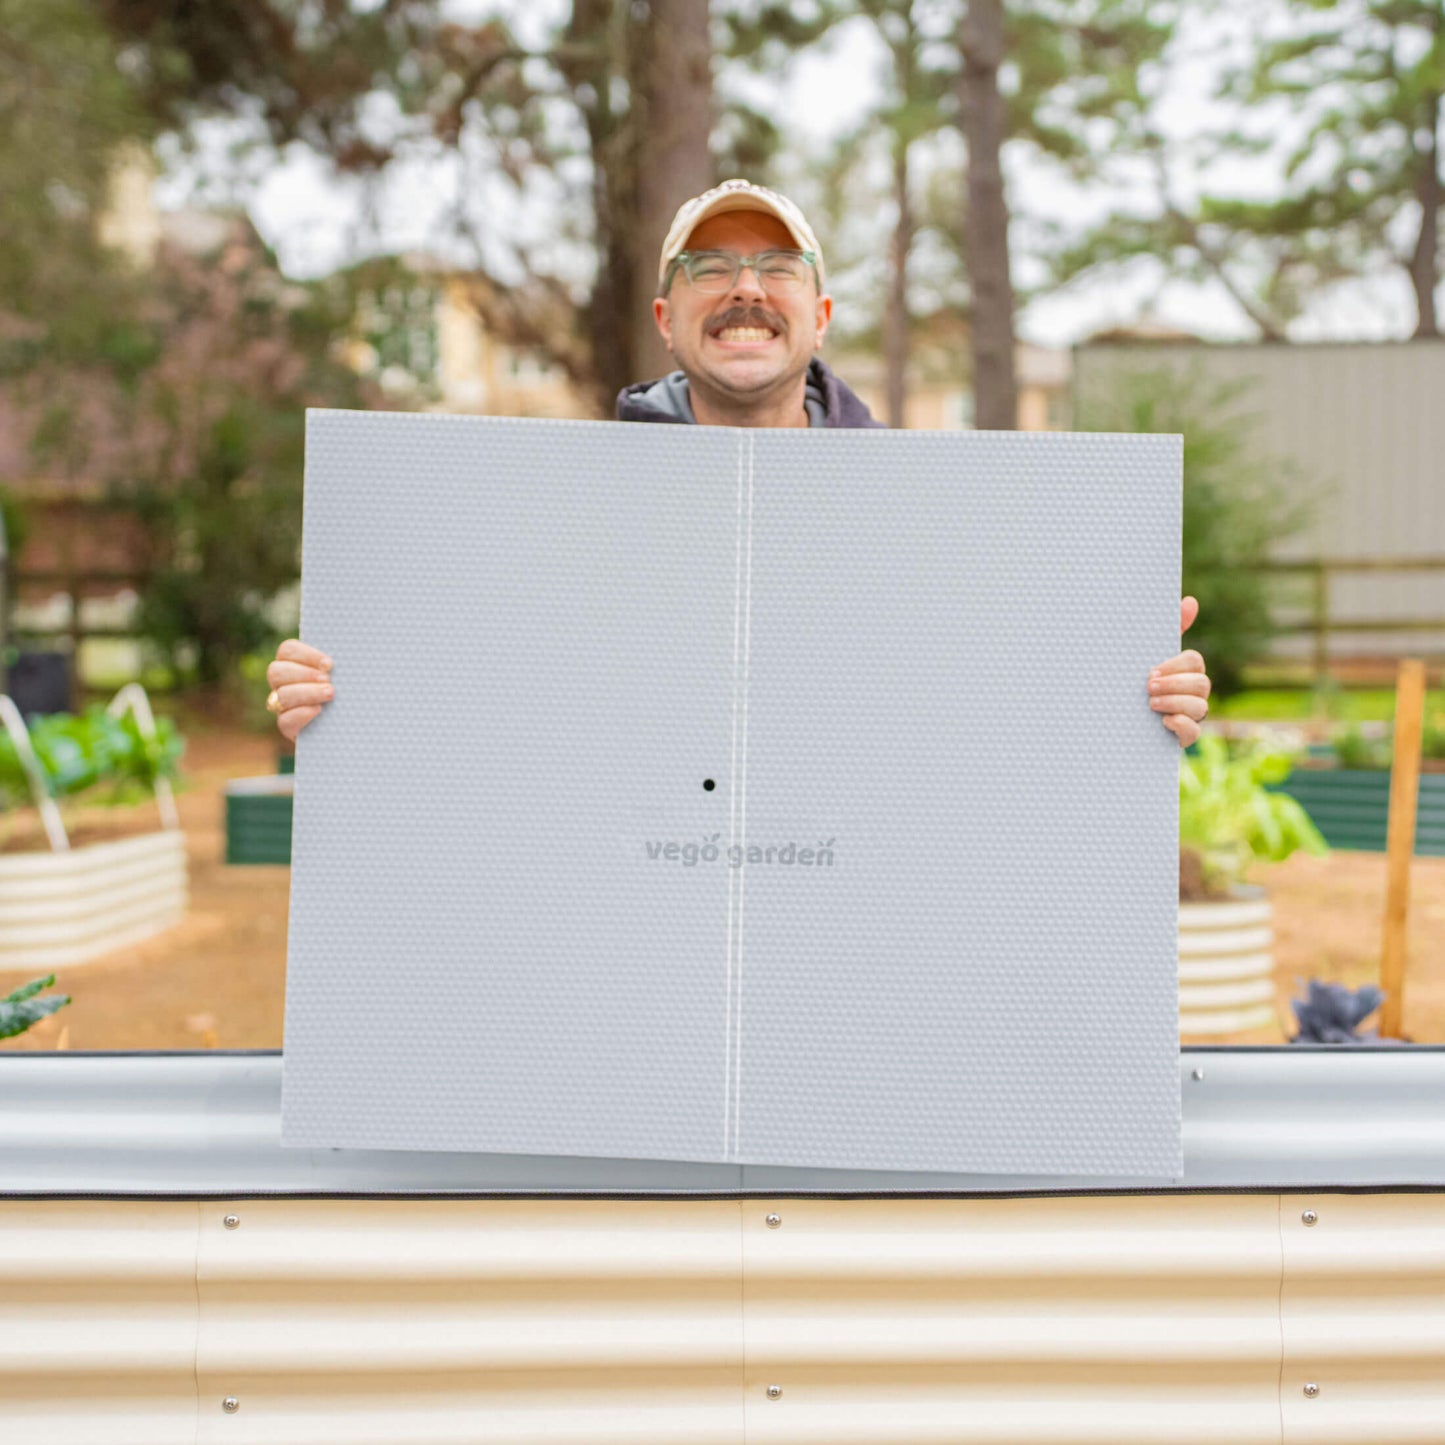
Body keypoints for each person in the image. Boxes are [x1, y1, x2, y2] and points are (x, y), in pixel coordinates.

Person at [266, 178, 1210, 743]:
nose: (745, 290)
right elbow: (486, 696)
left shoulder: (921, 523)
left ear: (820, 316)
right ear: (665, 321)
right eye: (708, 268)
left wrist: (1123, 692)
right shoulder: (564, 519)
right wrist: (348, 701)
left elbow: (980, 708)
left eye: (778, 267)